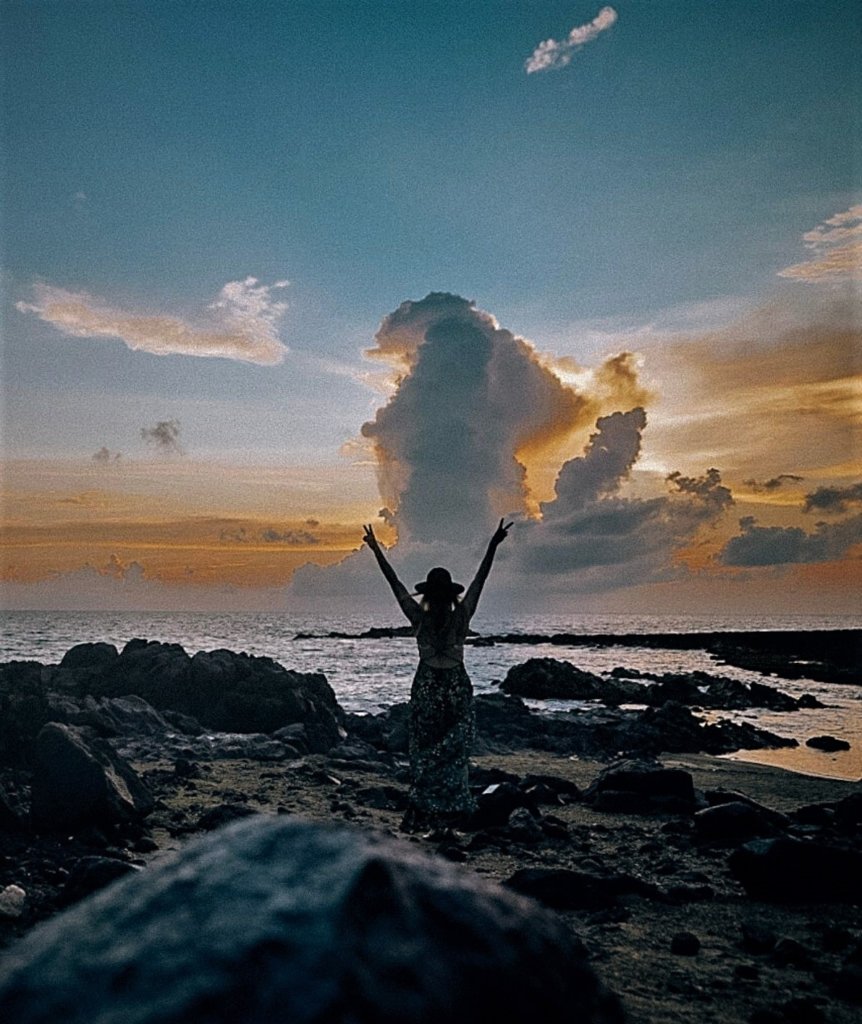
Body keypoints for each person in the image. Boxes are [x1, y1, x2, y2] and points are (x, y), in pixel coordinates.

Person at [362, 519, 512, 830]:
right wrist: (491, 546)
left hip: (432, 686)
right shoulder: (461, 615)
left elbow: (396, 584)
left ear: (429, 594)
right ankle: (448, 811)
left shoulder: (419, 616)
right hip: (451, 686)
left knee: (427, 751)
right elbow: (479, 581)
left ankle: (431, 811)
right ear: (448, 594)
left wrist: (377, 548)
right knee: (451, 751)